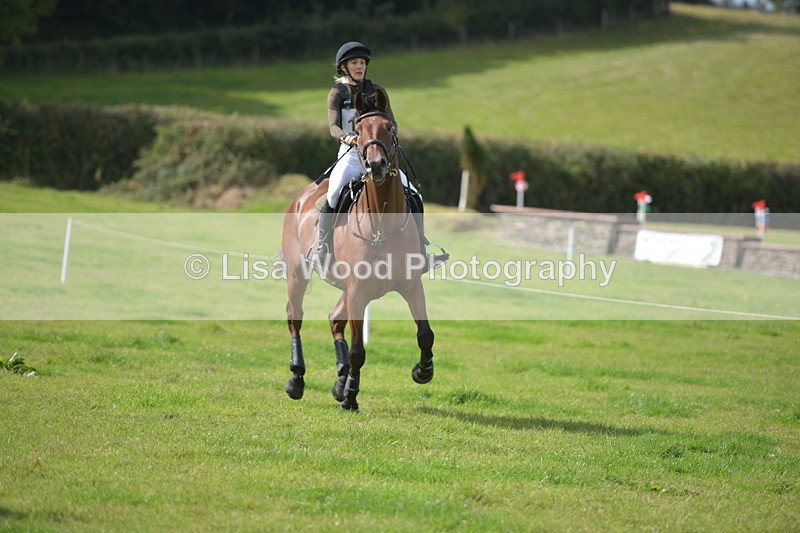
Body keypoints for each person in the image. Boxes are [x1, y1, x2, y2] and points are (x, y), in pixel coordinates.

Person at [314, 41, 447, 268]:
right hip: (351, 154)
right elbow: (333, 127)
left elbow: (392, 121)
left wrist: (387, 138)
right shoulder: (337, 93)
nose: (360, 67)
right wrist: (347, 138)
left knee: (414, 194)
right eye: (355, 63)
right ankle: (322, 247)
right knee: (334, 192)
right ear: (344, 67)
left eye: (363, 63)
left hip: (380, 154)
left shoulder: (377, 91)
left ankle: (421, 249)